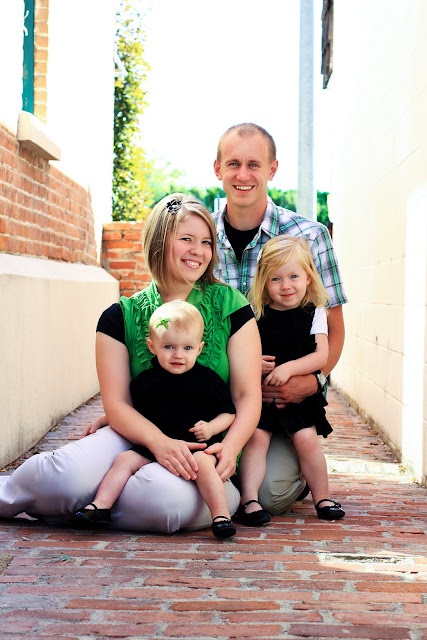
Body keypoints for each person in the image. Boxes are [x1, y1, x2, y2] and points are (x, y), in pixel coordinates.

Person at [0, 194, 262, 533]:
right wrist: (158, 442)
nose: (198, 251)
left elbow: (246, 396)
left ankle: (86, 506)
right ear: (159, 241)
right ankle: (52, 496)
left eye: (206, 242)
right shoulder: (118, 317)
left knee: (162, 502)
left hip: (206, 452)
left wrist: (230, 448)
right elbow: (117, 403)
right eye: (186, 239)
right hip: (135, 437)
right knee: (59, 479)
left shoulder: (232, 306)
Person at [212, 122, 348, 518]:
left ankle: (301, 473)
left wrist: (313, 380)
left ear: (272, 169)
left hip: (281, 401)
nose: (243, 175)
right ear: (217, 168)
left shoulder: (311, 236)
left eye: (254, 164)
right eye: (233, 163)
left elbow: (333, 329)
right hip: (219, 396)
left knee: (270, 494)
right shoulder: (198, 238)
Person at [71, 300, 238, 538]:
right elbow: (131, 410)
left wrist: (211, 428)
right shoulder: (145, 382)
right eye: (169, 346)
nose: (178, 355)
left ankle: (220, 516)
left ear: (199, 348)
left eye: (187, 348)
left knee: (204, 465)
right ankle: (100, 506)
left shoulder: (208, 380)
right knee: (124, 459)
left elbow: (228, 413)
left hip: (196, 447)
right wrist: (106, 419)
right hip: (155, 446)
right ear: (152, 346)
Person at [239, 235, 345, 523]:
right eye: (276, 279)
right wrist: (255, 366)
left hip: (298, 396)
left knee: (306, 438)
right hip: (263, 396)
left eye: (294, 276)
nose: (286, 286)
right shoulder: (256, 313)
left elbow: (321, 356)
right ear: (264, 283)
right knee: (256, 439)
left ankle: (322, 498)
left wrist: (289, 369)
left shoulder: (315, 313)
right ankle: (250, 500)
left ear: (308, 277)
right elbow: (245, 352)